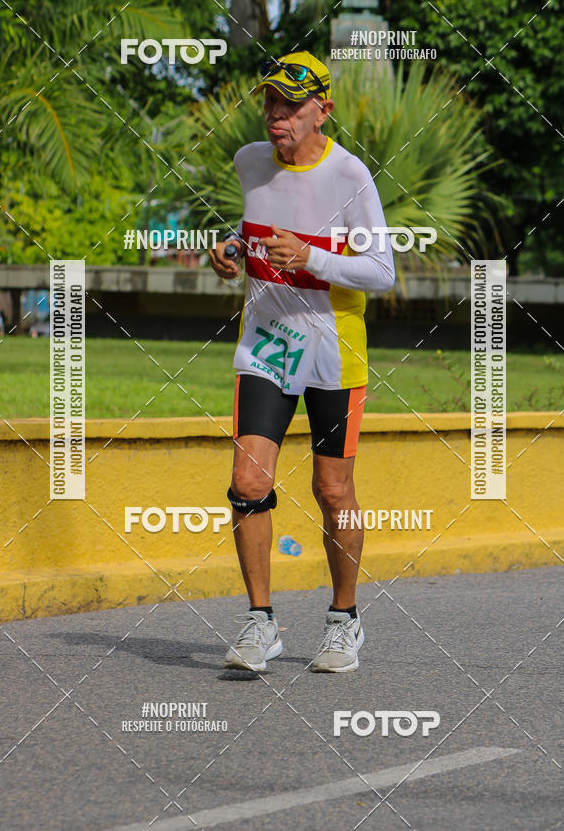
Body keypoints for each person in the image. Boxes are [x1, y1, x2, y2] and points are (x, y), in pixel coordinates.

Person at [209, 50, 395, 673]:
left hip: (331, 351)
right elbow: (257, 224)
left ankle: (344, 620)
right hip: (265, 345)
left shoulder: (350, 177)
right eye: (270, 102)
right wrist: (233, 247)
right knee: (248, 483)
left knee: (331, 487)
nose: (276, 115)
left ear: (323, 110)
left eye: (290, 104)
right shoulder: (250, 162)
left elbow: (381, 272)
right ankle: (260, 623)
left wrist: (312, 260)